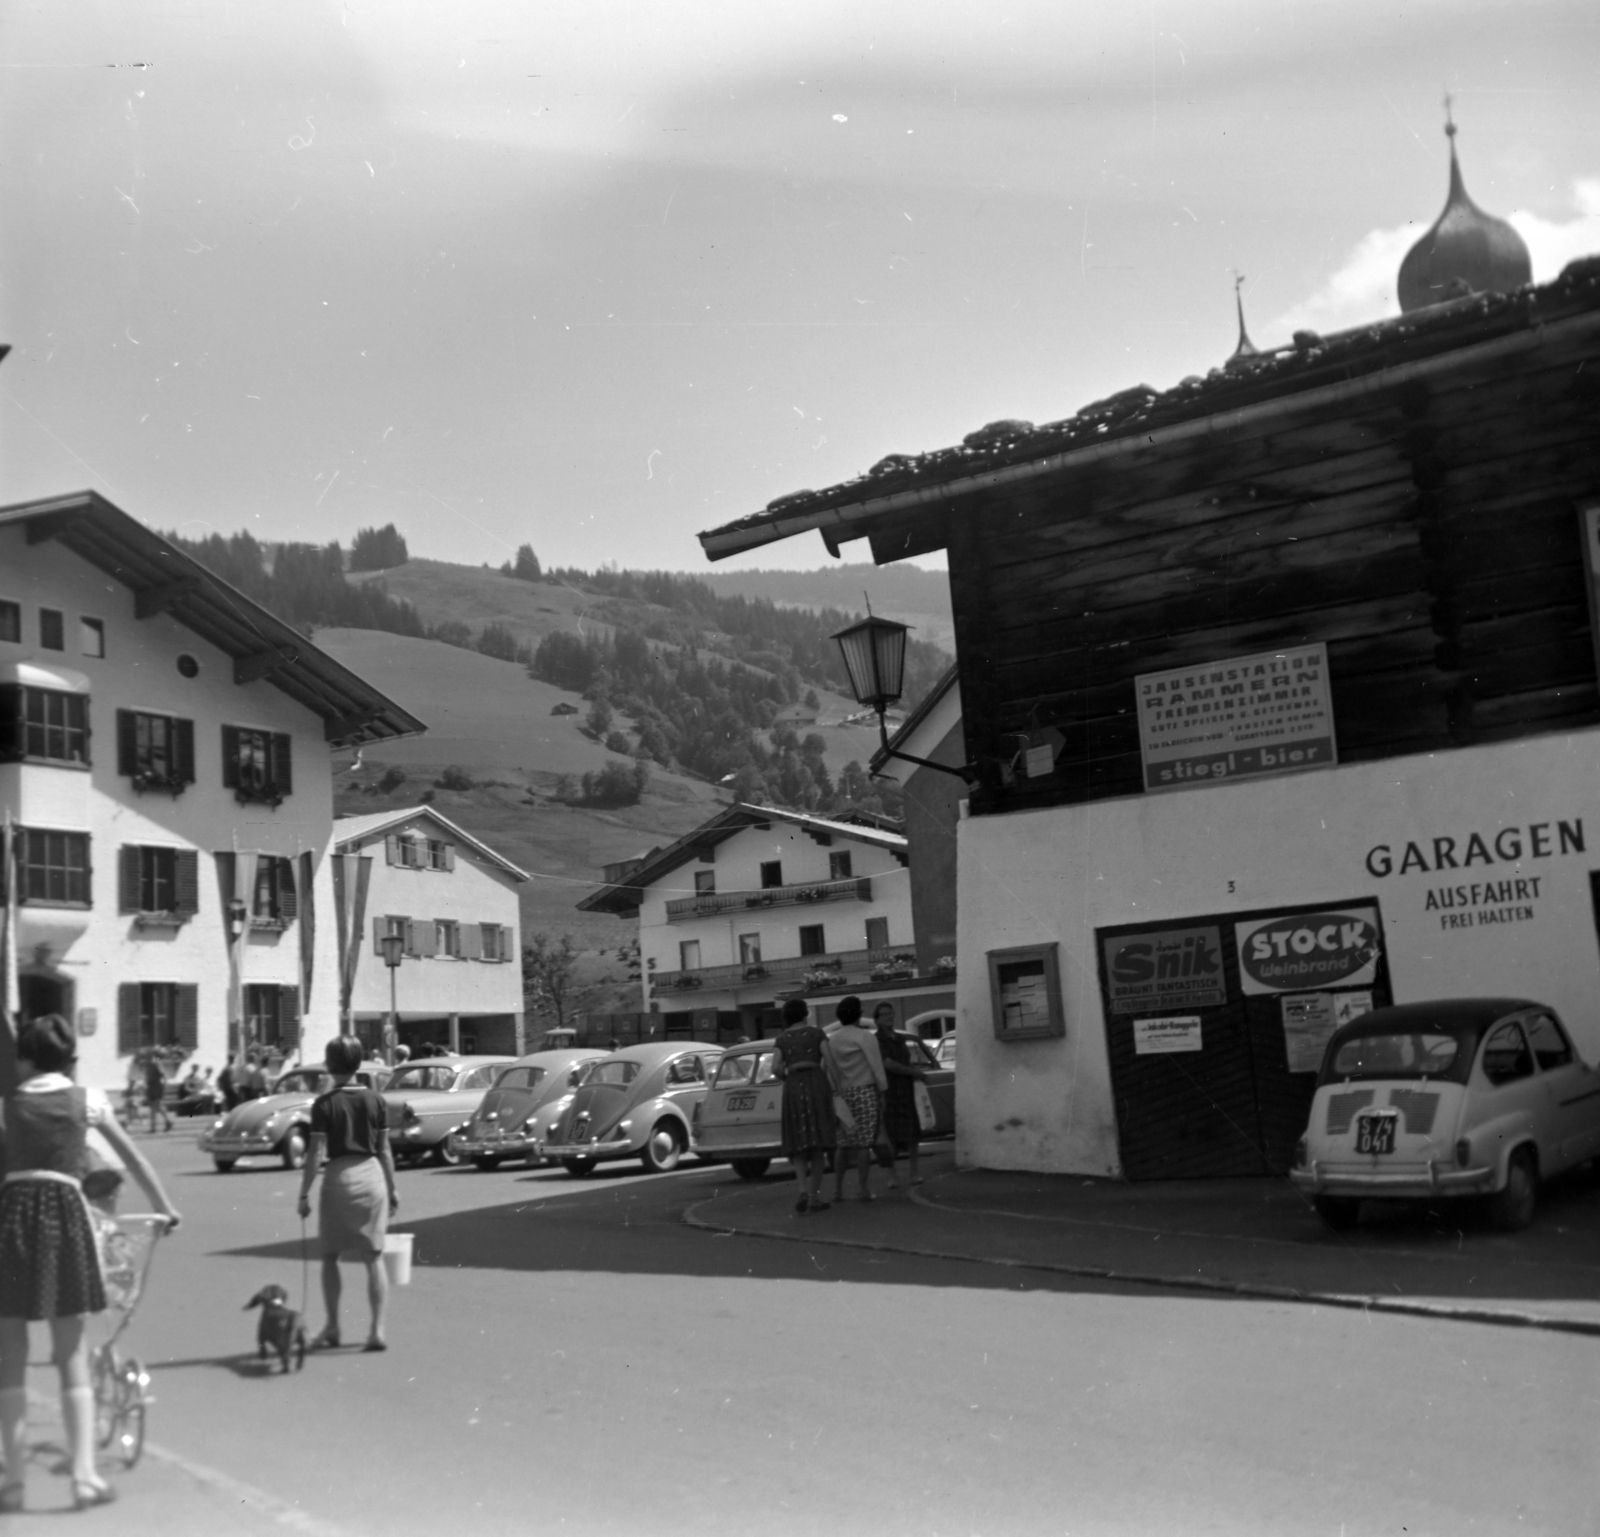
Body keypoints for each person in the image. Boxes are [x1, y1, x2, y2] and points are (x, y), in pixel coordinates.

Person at [0, 1016, 181, 1512]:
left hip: (13, 1220)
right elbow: (134, 1159)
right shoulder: (88, 1101)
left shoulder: (9, 1105)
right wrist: (166, 1206)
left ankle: (13, 1481)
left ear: (28, 1058)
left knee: (10, 1359)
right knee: (70, 1354)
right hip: (65, 1219)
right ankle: (83, 1477)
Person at [296, 1036, 399, 1353]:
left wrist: (304, 1193)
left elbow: (315, 1153)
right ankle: (377, 1329)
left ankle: (333, 1325)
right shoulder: (375, 1100)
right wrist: (393, 1189)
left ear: (329, 1065)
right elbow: (384, 1150)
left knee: (330, 1256)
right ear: (359, 1062)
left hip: (339, 1177)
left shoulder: (324, 1104)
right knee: (374, 1256)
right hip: (371, 1176)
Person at [770, 998, 835, 1214]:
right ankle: (814, 1197)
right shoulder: (817, 1034)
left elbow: (775, 1067)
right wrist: (838, 1087)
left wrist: (787, 1076)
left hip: (794, 1087)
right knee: (817, 1144)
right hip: (816, 1083)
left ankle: (802, 1189)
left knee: (799, 1142)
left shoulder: (782, 1039)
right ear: (805, 1013)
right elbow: (830, 1060)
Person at [822, 996, 886, 1203]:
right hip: (865, 1092)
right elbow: (876, 1066)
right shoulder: (865, 1037)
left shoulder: (832, 1039)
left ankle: (837, 1190)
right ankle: (862, 1189)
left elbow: (826, 1068)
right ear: (858, 1015)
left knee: (843, 1143)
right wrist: (882, 1091)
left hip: (841, 1094)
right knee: (863, 1144)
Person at [872, 1003, 928, 1189]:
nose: (889, 1017)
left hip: (905, 1088)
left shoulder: (900, 1038)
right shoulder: (878, 1040)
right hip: (889, 1089)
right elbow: (887, 1063)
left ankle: (914, 1172)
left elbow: (904, 1060)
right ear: (877, 1019)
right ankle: (892, 1175)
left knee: (912, 1133)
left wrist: (916, 1071)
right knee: (891, 1133)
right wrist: (912, 1072)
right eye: (884, 1014)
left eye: (891, 1013)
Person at [143, 1053, 173, 1134]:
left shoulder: (156, 1064)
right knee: (154, 1107)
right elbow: (147, 1077)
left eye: (149, 1056)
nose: (147, 1058)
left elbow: (163, 1075)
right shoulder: (148, 1065)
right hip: (150, 1087)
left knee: (156, 1106)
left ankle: (158, 1125)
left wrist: (164, 1087)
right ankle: (157, 1125)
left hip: (156, 1087)